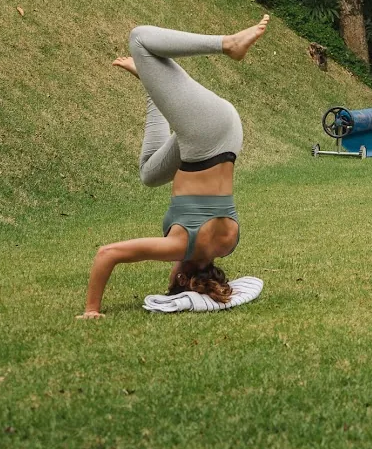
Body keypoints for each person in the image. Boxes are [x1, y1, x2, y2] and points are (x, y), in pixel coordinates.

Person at [79, 16, 270, 318]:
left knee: (150, 174)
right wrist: (92, 310)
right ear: (182, 278)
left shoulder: (227, 243)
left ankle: (150, 85)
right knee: (140, 38)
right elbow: (107, 254)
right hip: (206, 134)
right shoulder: (180, 246)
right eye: (172, 283)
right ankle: (228, 44)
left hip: (224, 141)